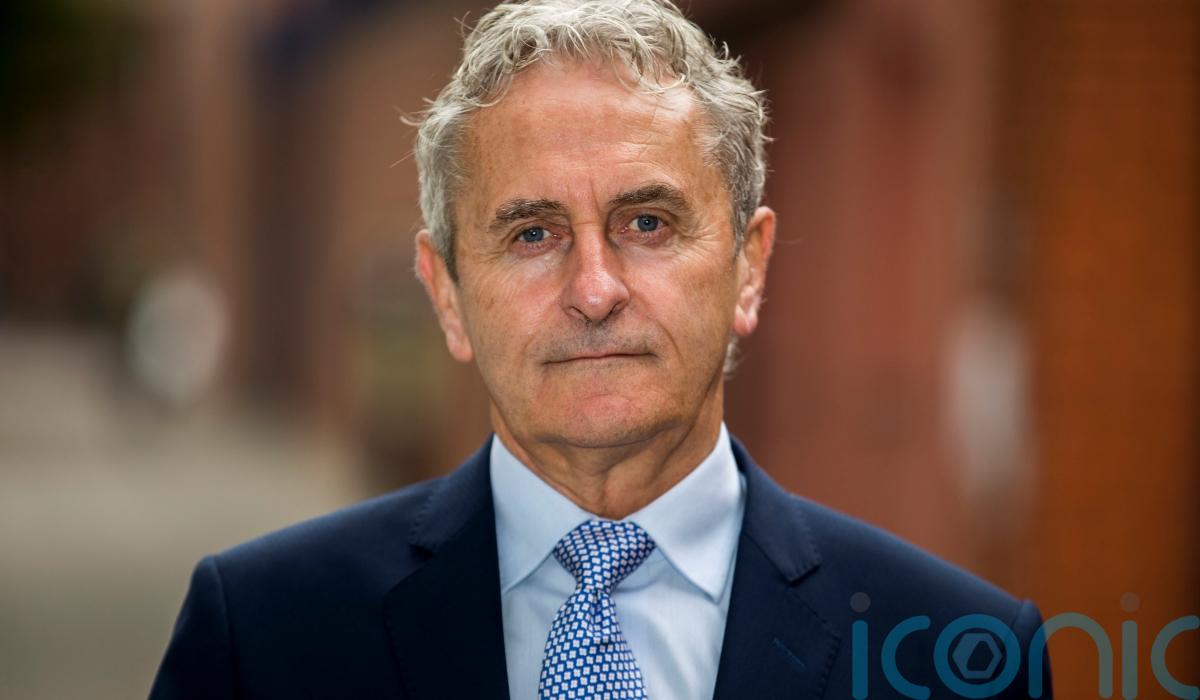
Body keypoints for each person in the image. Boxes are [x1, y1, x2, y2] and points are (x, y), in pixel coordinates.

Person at [150, 1, 1053, 698]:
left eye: (648, 222)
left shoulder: (957, 655)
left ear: (749, 267)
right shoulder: (261, 636)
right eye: (532, 234)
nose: (594, 289)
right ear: (447, 294)